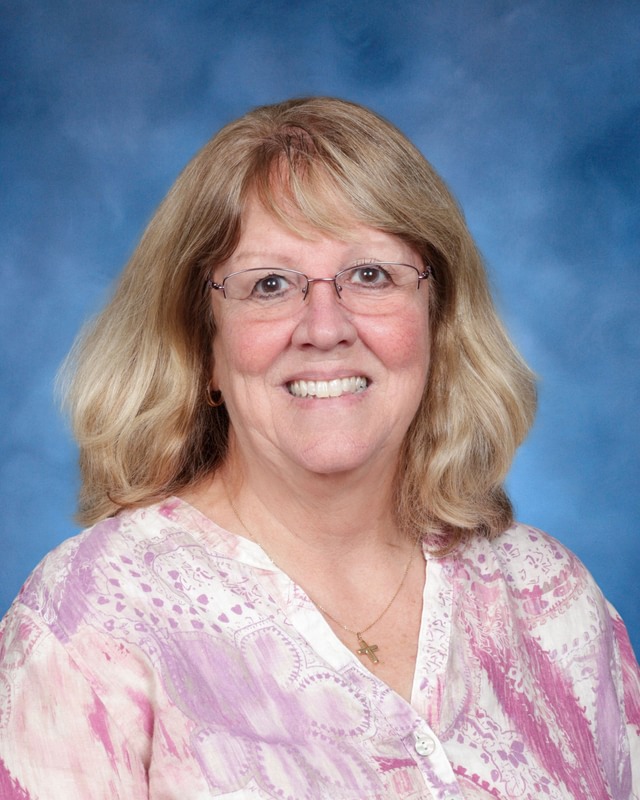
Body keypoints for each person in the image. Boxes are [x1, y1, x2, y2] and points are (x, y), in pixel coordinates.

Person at [0, 97, 638, 800]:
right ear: (202, 348)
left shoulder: (550, 600)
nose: (325, 327)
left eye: (371, 275)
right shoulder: (89, 624)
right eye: (270, 285)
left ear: (437, 322)